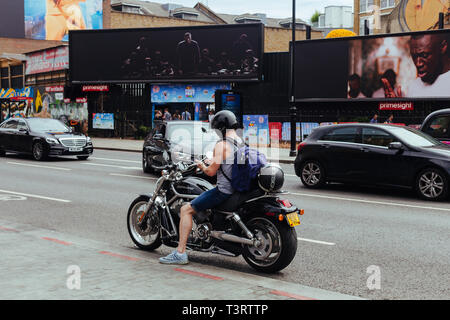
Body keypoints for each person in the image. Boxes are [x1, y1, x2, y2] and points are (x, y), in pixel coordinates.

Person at [159, 110, 242, 265]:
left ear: (221, 128)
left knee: (186, 209)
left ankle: (180, 253)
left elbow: (211, 172)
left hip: (224, 191)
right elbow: (229, 162)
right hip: (237, 189)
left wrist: (202, 165)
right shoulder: (239, 141)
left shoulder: (222, 144)